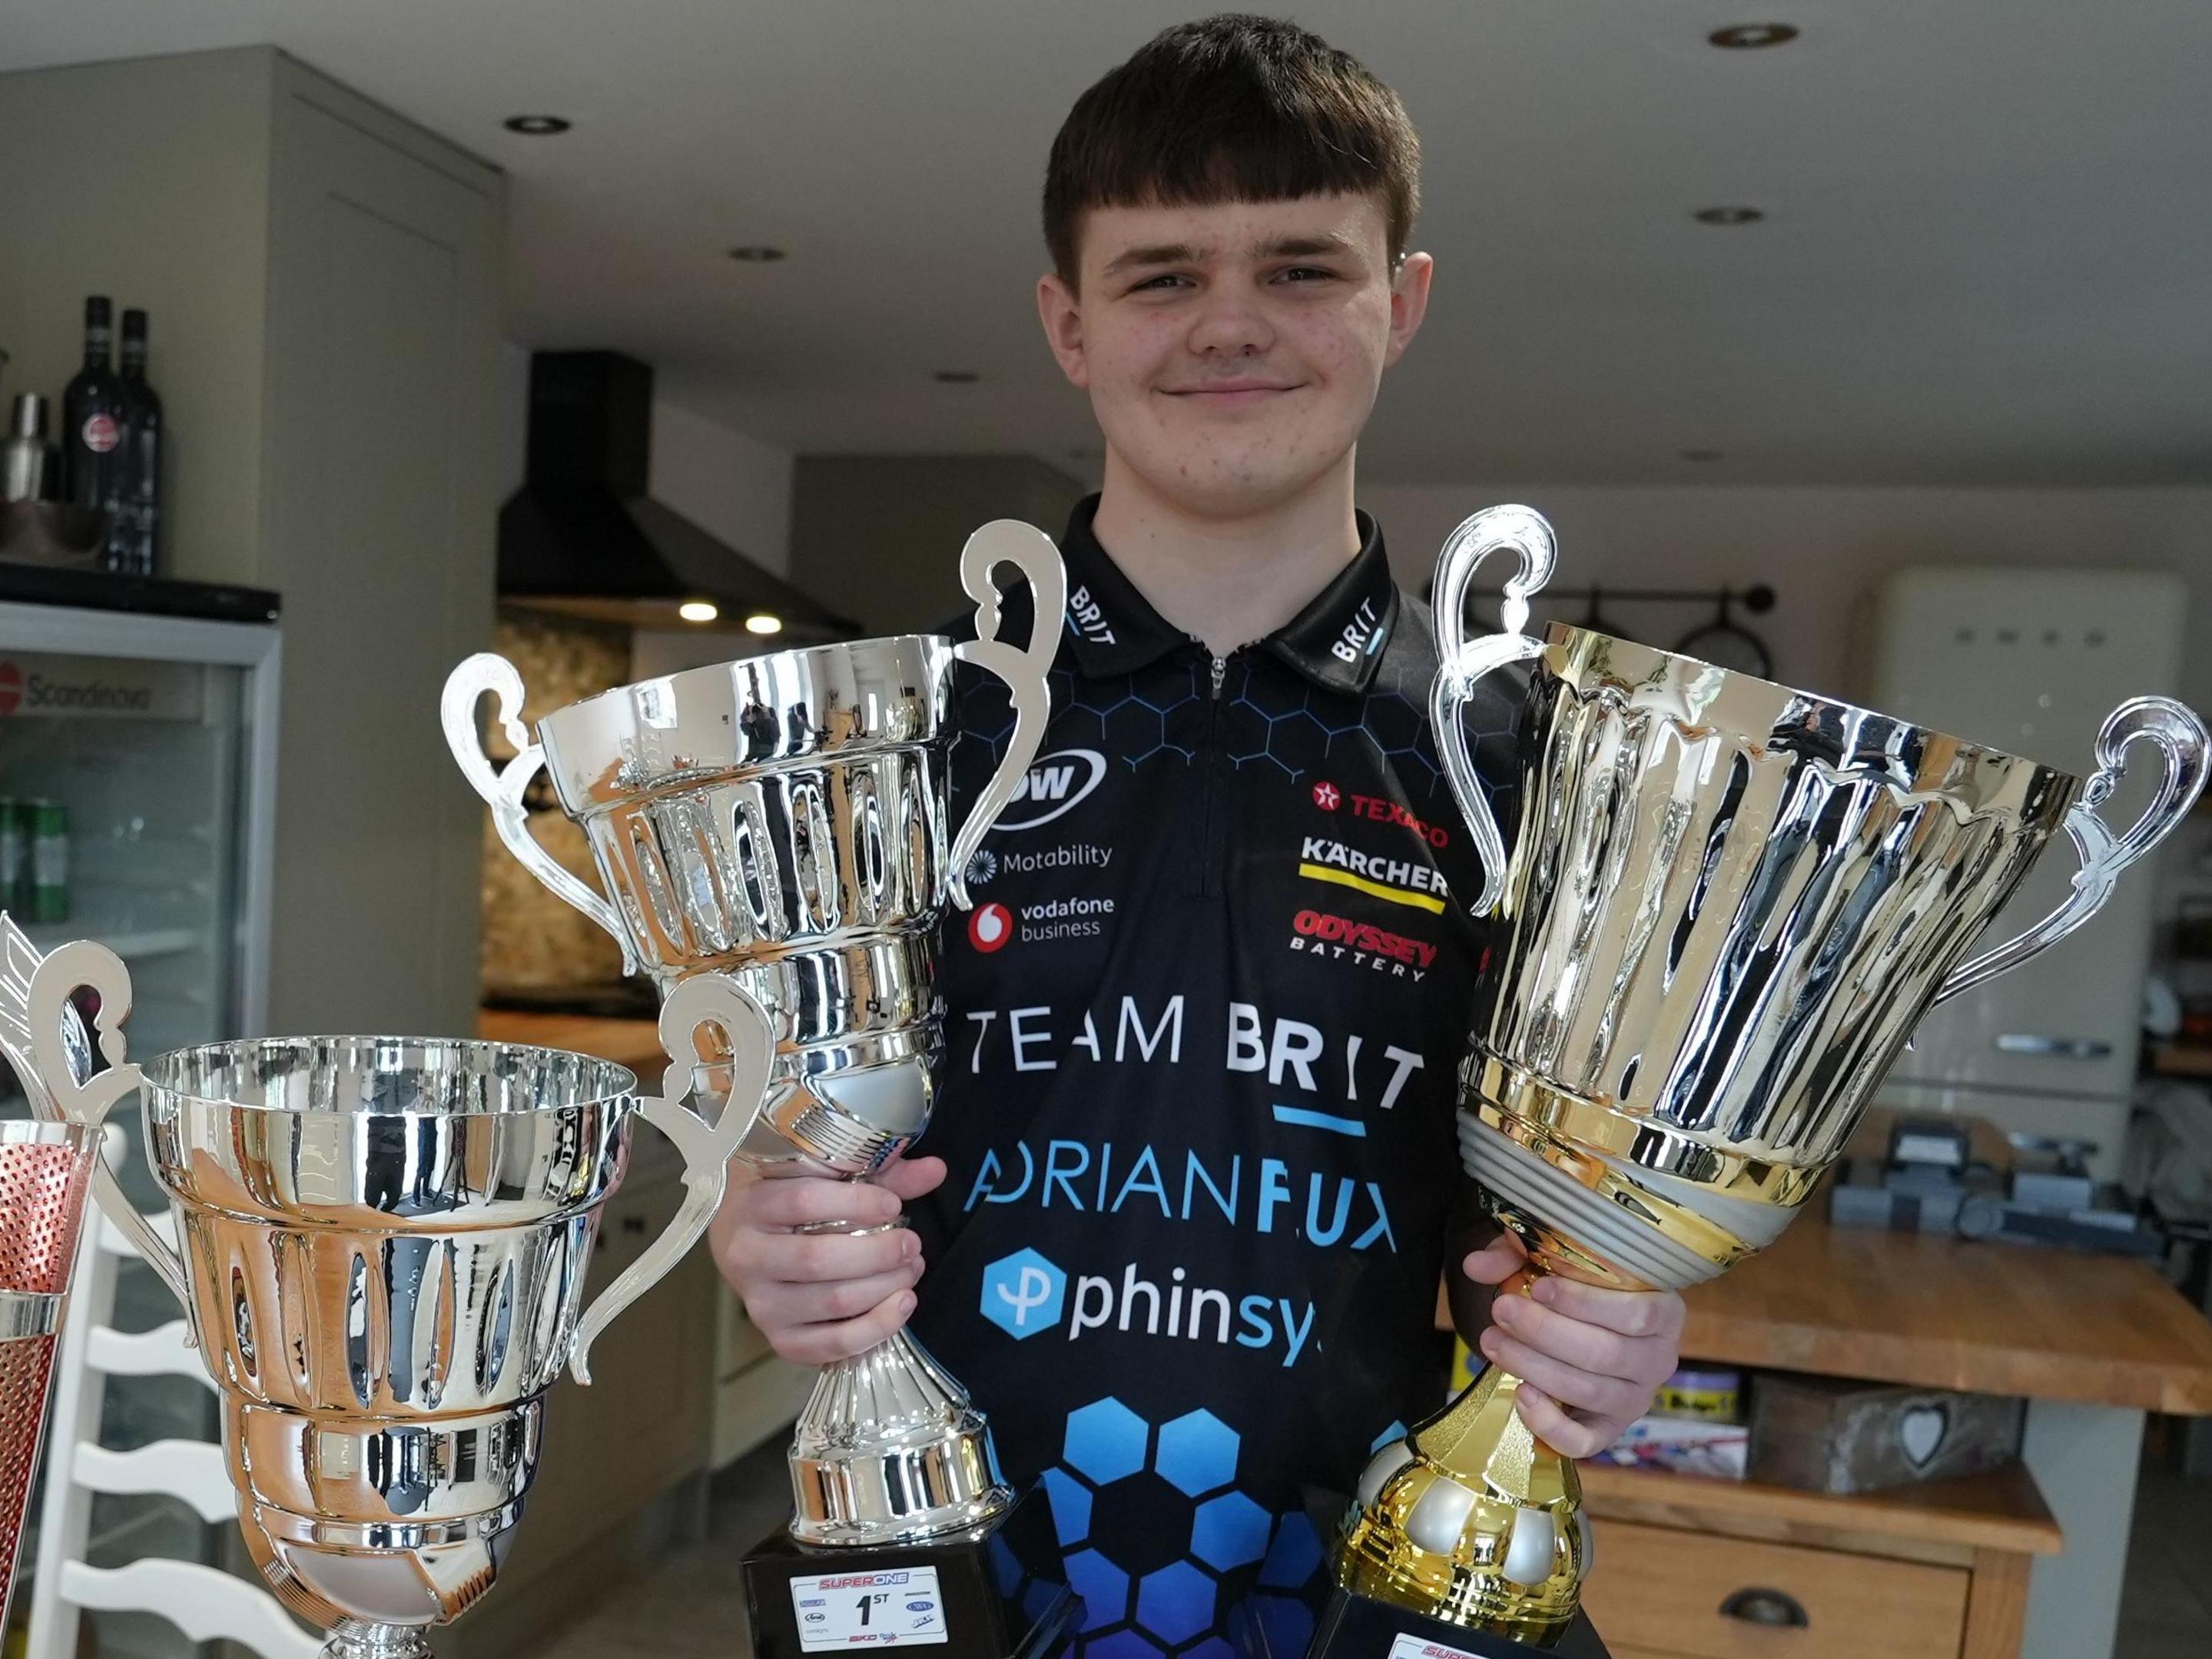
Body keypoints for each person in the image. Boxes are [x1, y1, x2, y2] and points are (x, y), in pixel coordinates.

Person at [707, 17, 1686, 1653]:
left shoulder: (1522, 764)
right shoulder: (889, 748)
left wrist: (1609, 1315)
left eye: (1303, 267)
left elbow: (1533, 1234)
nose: (1230, 325)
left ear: (1404, 303)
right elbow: (794, 1134)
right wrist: (771, 1213)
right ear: (1068, 325)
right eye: (1162, 276)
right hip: (942, 1585)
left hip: (1372, 1591)